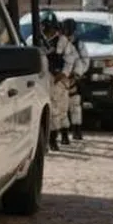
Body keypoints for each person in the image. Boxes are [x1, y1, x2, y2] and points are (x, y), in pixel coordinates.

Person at [42, 13, 82, 150]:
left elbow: (71, 59)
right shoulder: (34, 40)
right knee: (49, 110)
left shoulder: (62, 41)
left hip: (59, 80)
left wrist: (64, 74)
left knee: (61, 110)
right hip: (42, 79)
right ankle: (49, 139)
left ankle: (58, 137)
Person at [61, 18, 85, 140]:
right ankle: (64, 134)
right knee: (62, 107)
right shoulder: (60, 43)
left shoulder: (78, 44)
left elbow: (84, 61)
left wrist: (76, 74)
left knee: (75, 106)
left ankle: (77, 130)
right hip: (61, 79)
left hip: (74, 78)